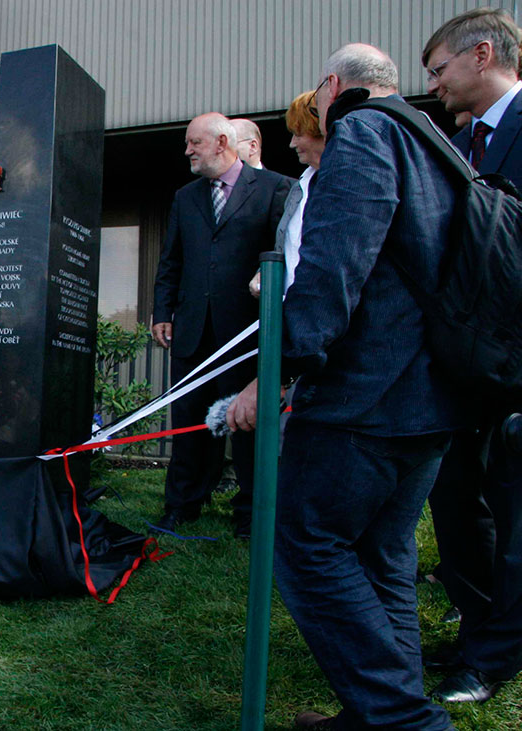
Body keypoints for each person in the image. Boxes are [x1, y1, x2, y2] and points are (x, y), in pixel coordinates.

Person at [226, 44, 464, 729]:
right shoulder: (434, 141)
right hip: (430, 393)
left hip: (367, 396)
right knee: (382, 556)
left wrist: (283, 366)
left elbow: (335, 263)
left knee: (305, 542)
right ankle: (376, 712)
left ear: (332, 87)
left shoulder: (361, 131)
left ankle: (402, 721)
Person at [421, 6, 522, 704]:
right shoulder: (463, 145)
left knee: (516, 510)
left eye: (440, 69)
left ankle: (496, 655)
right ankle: (480, 623)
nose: (434, 86)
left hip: (519, 361)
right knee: (456, 496)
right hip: (464, 362)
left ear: (481, 54)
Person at [151, 113, 291, 538]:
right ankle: (183, 504)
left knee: (249, 424)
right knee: (188, 421)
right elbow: (171, 260)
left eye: (195, 142)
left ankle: (250, 513)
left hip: (246, 334)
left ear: (223, 142)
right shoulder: (185, 197)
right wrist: (162, 311)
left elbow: (284, 258)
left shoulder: (274, 189)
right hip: (193, 331)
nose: (188, 151)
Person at [248, 91, 327, 297]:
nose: (292, 143)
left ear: (321, 130)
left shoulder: (350, 183)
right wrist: (265, 274)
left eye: (298, 134)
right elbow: (288, 248)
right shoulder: (299, 188)